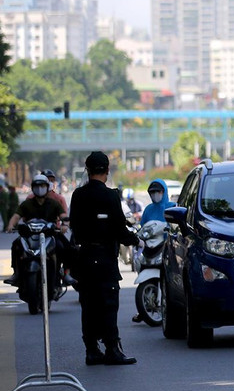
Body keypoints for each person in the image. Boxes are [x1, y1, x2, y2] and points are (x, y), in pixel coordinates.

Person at [70, 151, 139, 366]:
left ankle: (91, 350)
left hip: (85, 257)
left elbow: (74, 226)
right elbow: (120, 230)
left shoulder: (78, 195)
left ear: (88, 171)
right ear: (107, 171)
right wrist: (135, 239)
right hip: (105, 259)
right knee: (108, 305)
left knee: (88, 305)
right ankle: (112, 349)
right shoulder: (110, 196)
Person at [5, 174, 67, 287]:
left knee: (64, 246)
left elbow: (63, 215)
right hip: (30, 237)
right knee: (16, 245)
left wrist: (65, 224)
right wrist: (10, 225)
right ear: (33, 187)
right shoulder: (27, 203)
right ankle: (17, 274)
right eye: (37, 186)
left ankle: (65, 274)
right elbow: (16, 216)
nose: (40, 188)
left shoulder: (54, 203)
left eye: (42, 186)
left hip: (50, 235)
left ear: (47, 187)